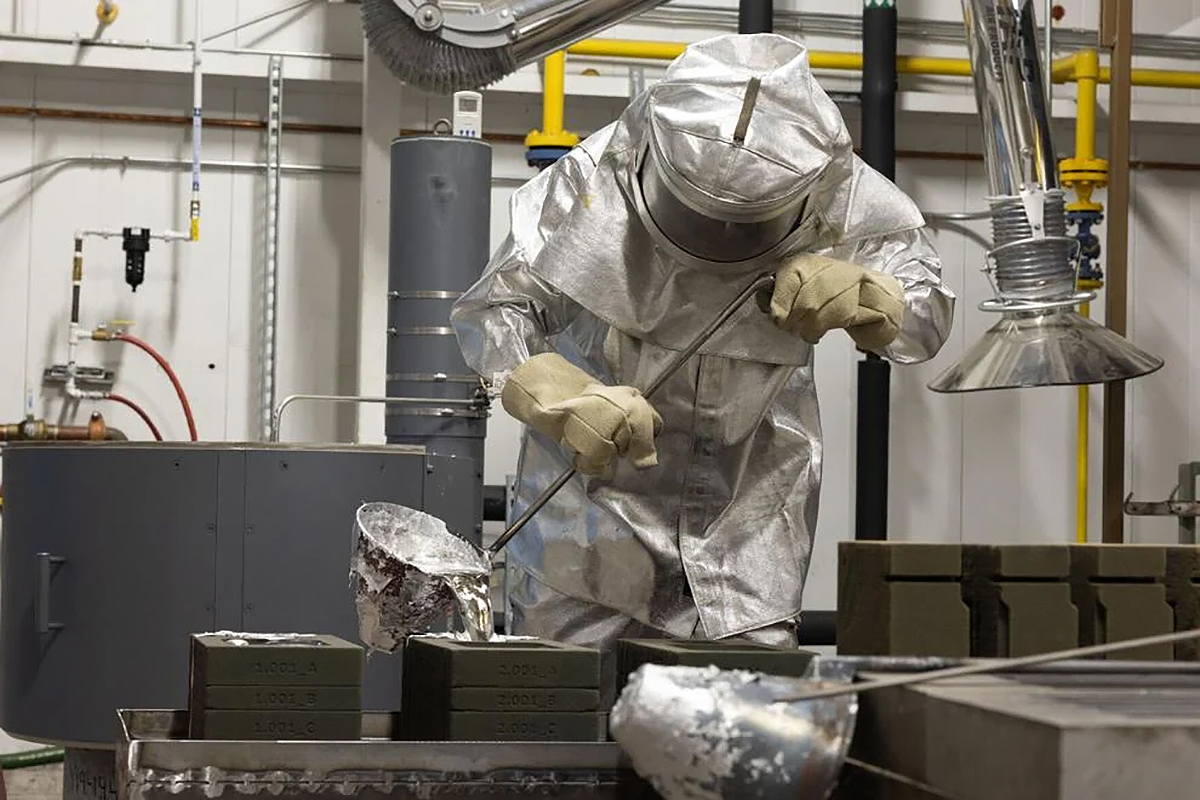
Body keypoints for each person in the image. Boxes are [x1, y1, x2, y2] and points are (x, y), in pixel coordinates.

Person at [451, 32, 955, 689]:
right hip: (589, 539)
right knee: (558, 733)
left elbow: (926, 316)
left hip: (750, 536)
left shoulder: (844, 195)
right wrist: (550, 386)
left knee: (740, 745)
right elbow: (494, 310)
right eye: (700, 217)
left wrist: (870, 299)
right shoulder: (588, 181)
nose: (717, 243)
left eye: (743, 226)